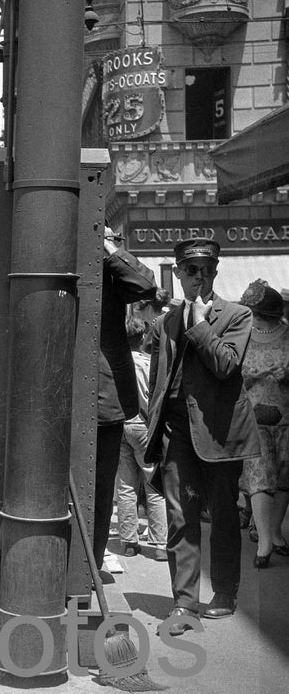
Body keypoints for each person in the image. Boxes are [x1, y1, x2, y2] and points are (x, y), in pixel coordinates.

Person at [144, 238, 261, 636]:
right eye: (190, 270)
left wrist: (198, 325)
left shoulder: (237, 315)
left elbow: (226, 365)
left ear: (215, 272)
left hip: (220, 433)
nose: (199, 277)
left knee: (224, 517)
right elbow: (159, 373)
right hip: (177, 431)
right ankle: (184, 604)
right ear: (177, 274)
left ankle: (225, 593)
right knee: (181, 517)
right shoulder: (166, 321)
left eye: (206, 270)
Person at [92, 226, 157, 572]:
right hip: (73, 394)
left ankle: (90, 565)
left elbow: (146, 284)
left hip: (106, 398)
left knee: (103, 492)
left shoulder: (111, 269)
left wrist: (107, 248)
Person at [237, 279, 289, 568]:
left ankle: (275, 534)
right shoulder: (243, 336)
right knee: (258, 479)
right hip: (252, 418)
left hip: (286, 419)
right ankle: (265, 543)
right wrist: (247, 375)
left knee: (283, 480)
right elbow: (228, 372)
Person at [116, 316, 167, 561]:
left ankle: (128, 541)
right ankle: (159, 543)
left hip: (121, 424)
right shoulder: (148, 364)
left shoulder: (116, 365)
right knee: (153, 485)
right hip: (144, 425)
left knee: (126, 486)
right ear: (143, 337)